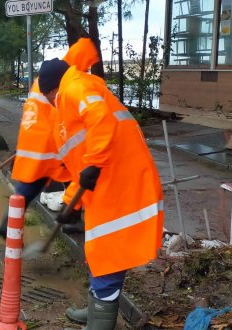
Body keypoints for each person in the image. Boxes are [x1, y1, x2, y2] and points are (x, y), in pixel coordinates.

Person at [39, 39, 164, 329]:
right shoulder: (74, 92)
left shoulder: (75, 88)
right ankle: (97, 310)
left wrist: (94, 163)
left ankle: (100, 322)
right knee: (102, 253)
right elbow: (80, 167)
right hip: (109, 186)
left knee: (107, 253)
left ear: (51, 89)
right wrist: (72, 202)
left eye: (46, 97)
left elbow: (101, 121)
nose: (48, 103)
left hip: (121, 186)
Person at [0, 73, 72, 239]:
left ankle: (7, 224)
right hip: (48, 141)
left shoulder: (41, 80)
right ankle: (73, 218)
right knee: (73, 175)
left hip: (31, 137)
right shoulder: (64, 81)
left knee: (31, 184)